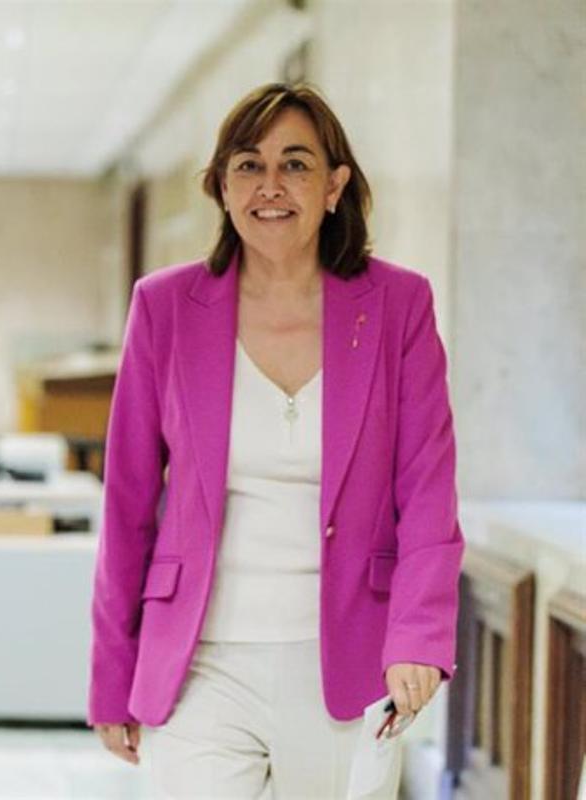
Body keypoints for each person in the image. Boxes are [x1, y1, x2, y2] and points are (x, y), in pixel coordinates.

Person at [89, 83, 463, 798]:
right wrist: (113, 675)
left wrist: (418, 638)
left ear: (335, 186)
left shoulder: (398, 306)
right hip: (198, 659)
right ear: (222, 187)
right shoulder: (164, 307)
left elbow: (427, 492)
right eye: (248, 165)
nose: (271, 186)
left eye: (295, 164)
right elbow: (128, 504)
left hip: (348, 658)